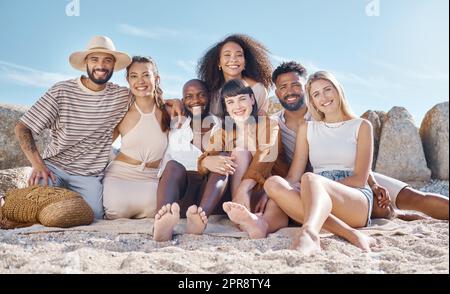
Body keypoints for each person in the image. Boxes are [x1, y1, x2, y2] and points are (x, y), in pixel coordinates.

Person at [14, 36, 183, 219]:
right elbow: (23, 128)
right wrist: (38, 165)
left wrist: (172, 103)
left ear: (113, 66)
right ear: (86, 62)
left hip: (89, 176)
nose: (100, 65)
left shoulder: (121, 96)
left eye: (107, 60)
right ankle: (9, 202)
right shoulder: (61, 91)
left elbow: (147, 96)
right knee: (35, 206)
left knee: (91, 216)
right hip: (55, 167)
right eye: (94, 59)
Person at [268, 61, 448, 221]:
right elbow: (287, 172)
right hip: (315, 180)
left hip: (348, 176)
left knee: (412, 198)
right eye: (283, 87)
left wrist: (373, 183)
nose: (290, 91)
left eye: (295, 85)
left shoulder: (331, 114)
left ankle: (387, 211)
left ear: (305, 87)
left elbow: (355, 159)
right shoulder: (274, 124)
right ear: (277, 92)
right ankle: (391, 214)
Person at [267, 70, 375, 254]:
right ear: (313, 102)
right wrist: (275, 195)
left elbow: (359, 179)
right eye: (316, 94)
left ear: (338, 90)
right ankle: (349, 233)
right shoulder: (307, 128)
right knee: (273, 184)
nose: (323, 97)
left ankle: (309, 233)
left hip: (354, 197)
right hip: (316, 194)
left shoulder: (362, 126)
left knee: (310, 178)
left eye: (327, 89)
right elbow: (294, 175)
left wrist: (318, 186)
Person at [194, 79, 290, 239]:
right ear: (226, 107)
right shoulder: (224, 132)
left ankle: (260, 224)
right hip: (239, 194)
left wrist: (245, 188)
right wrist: (205, 161)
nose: (237, 106)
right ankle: (242, 215)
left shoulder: (269, 124)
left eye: (242, 99)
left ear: (252, 99)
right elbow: (207, 154)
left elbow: (267, 153)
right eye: (230, 102)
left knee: (275, 202)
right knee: (239, 152)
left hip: (268, 186)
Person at [153, 79, 231, 241]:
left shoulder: (223, 126)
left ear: (209, 97)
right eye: (189, 96)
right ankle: (162, 221)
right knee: (173, 165)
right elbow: (155, 103)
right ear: (182, 101)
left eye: (201, 95)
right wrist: (172, 102)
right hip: (180, 196)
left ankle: (200, 219)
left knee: (224, 159)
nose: (195, 100)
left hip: (210, 195)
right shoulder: (175, 123)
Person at [102, 56, 171, 220]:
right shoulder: (122, 111)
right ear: (128, 80)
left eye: (146, 75)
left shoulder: (169, 111)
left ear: (157, 78)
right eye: (134, 76)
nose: (140, 81)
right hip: (120, 178)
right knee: (116, 211)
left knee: (159, 209)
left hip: (152, 180)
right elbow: (101, 146)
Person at [198, 34, 272, 118]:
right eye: (227, 55)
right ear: (219, 62)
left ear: (245, 61)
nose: (233, 59)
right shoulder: (211, 91)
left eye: (239, 55)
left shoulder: (258, 89)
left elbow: (261, 122)